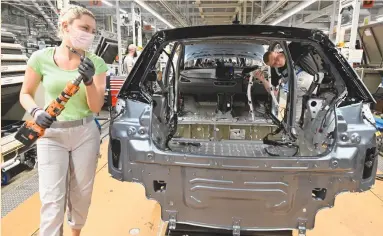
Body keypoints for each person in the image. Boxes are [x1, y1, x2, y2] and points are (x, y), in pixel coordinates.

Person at [19, 5, 108, 236]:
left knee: (81, 194)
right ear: (65, 26)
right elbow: (25, 93)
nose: (89, 34)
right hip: (51, 135)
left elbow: (96, 106)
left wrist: (89, 82)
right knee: (52, 196)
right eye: (84, 28)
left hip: (85, 133)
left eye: (92, 30)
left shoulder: (96, 62)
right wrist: (37, 112)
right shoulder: (40, 58)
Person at [254, 42, 314, 122]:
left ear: (277, 52)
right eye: (274, 64)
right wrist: (263, 80)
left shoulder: (292, 50)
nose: (277, 63)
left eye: (276, 59)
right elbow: (273, 92)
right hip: (297, 95)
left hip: (314, 85)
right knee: (295, 120)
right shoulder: (275, 70)